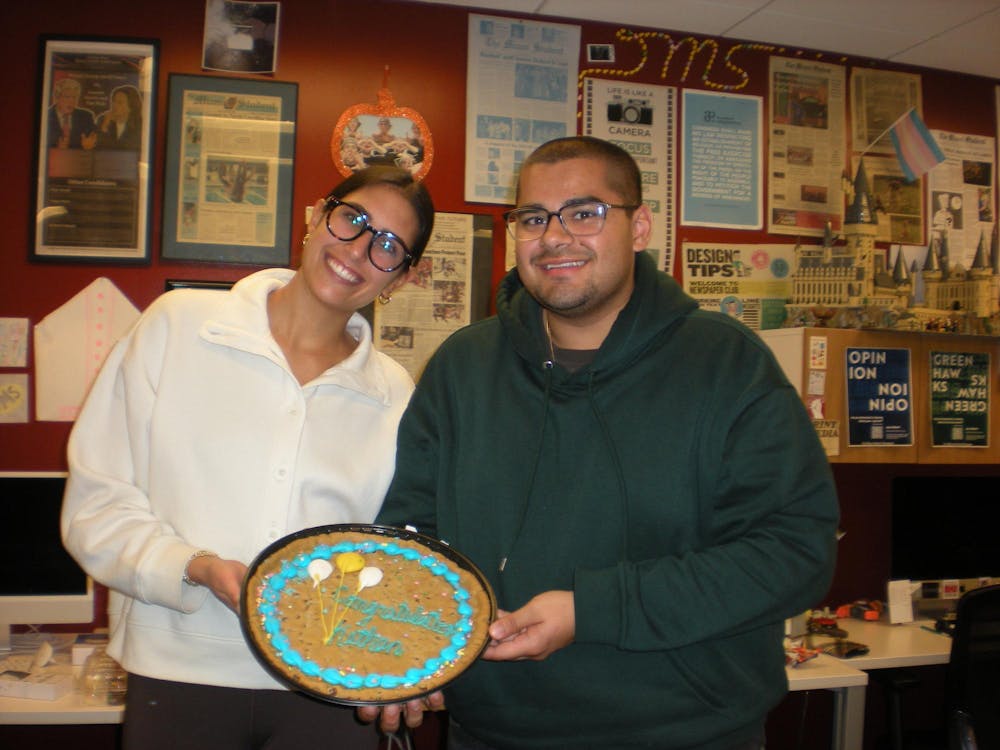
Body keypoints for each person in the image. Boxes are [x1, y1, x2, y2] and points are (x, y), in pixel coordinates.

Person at [363, 137, 839, 749]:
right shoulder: (462, 366)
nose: (555, 237)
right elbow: (412, 535)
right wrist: (406, 646)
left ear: (639, 226)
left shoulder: (727, 364)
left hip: (688, 731)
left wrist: (594, 609)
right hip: (494, 729)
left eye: (585, 213)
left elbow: (794, 553)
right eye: (534, 218)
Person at [61, 166, 434, 750]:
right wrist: (195, 565)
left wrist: (409, 656)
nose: (360, 249)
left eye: (388, 246)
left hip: (328, 686)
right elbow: (97, 504)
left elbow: (392, 549)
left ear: (403, 278)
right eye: (352, 220)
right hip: (180, 672)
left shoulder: (394, 392)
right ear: (315, 216)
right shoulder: (179, 329)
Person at [47, 77, 96, 149]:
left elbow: (96, 142)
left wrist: (88, 147)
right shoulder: (46, 116)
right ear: (56, 98)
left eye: (75, 97)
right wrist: (57, 150)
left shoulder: (86, 116)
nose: (72, 101)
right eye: (67, 97)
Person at [96, 85, 143, 150]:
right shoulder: (102, 120)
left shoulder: (139, 124)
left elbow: (127, 147)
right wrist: (104, 127)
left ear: (131, 107)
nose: (114, 105)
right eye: (114, 101)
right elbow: (97, 146)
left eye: (120, 102)